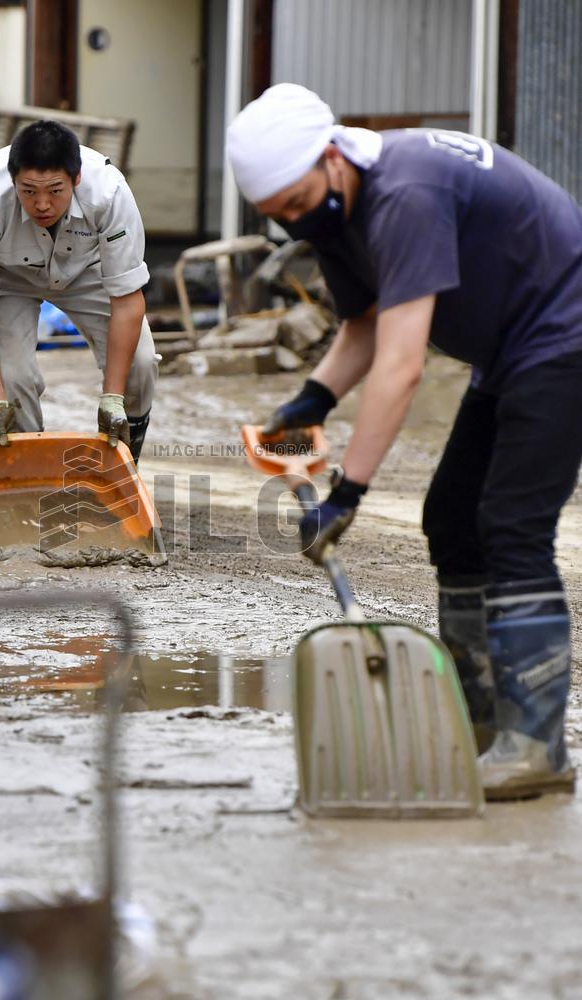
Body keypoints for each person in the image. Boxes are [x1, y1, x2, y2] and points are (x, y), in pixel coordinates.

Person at [227, 83, 582, 800]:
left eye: (299, 202)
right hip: (511, 350)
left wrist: (347, 493)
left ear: (332, 157)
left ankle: (536, 743)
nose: (298, 220)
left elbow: (402, 362)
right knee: (451, 518)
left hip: (565, 333)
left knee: (512, 525)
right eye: (281, 216)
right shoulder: (337, 218)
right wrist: (313, 398)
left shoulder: (405, 190)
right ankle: (485, 723)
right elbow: (362, 327)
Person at [0, 120, 159, 461]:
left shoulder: (109, 193)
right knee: (13, 380)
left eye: (55, 190)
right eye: (28, 191)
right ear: (12, 179)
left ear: (76, 179)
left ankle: (124, 460)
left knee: (140, 363)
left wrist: (113, 397)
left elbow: (127, 300)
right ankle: (27, 470)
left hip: (87, 268)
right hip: (8, 277)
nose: (42, 204)